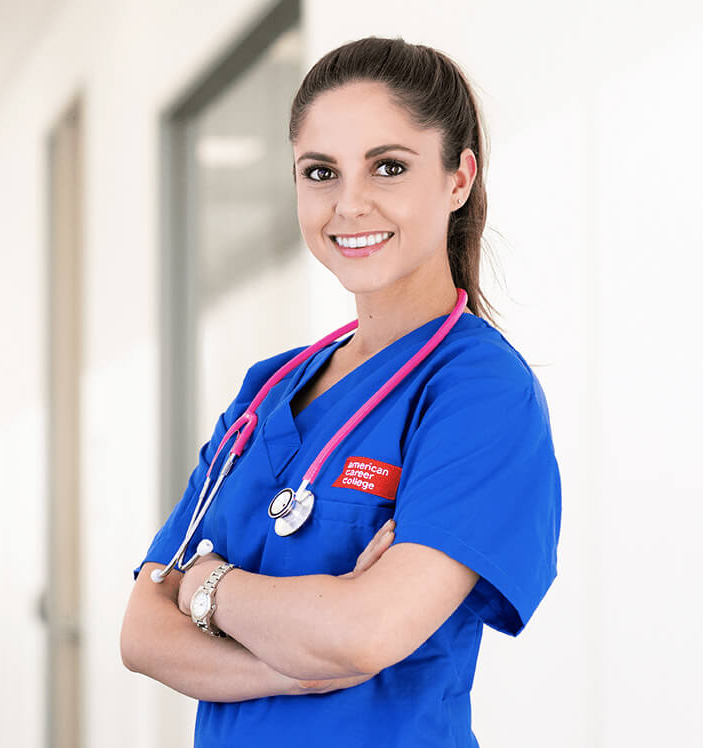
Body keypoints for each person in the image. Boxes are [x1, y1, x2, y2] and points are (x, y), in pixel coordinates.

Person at [120, 35, 562, 748]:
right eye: (320, 172)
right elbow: (142, 631)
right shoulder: (269, 387)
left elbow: (366, 633)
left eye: (388, 167)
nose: (349, 204)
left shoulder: (480, 392)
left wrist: (209, 588)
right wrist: (297, 667)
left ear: (458, 179)